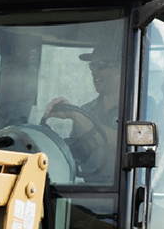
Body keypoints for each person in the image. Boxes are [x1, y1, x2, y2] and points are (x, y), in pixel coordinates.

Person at [42, 46, 122, 182]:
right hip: (87, 193)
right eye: (92, 66)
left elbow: (123, 144)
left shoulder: (138, 107)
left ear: (119, 69)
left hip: (124, 193)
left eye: (101, 65)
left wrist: (75, 114)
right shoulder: (86, 110)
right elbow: (75, 153)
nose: (94, 72)